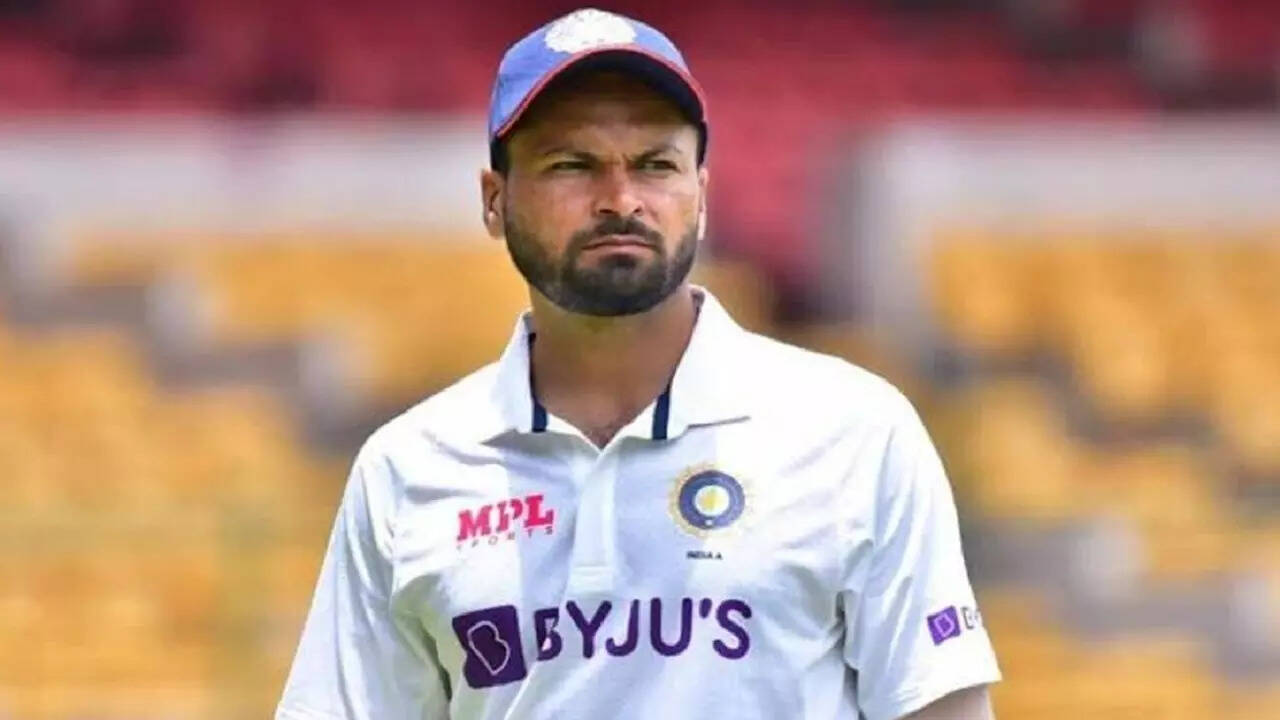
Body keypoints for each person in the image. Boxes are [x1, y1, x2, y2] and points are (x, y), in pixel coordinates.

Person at [275, 8, 1000, 720]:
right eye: (571, 165)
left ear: (702, 197)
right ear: (494, 202)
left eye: (656, 165)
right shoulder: (407, 470)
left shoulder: (856, 433)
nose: (621, 200)